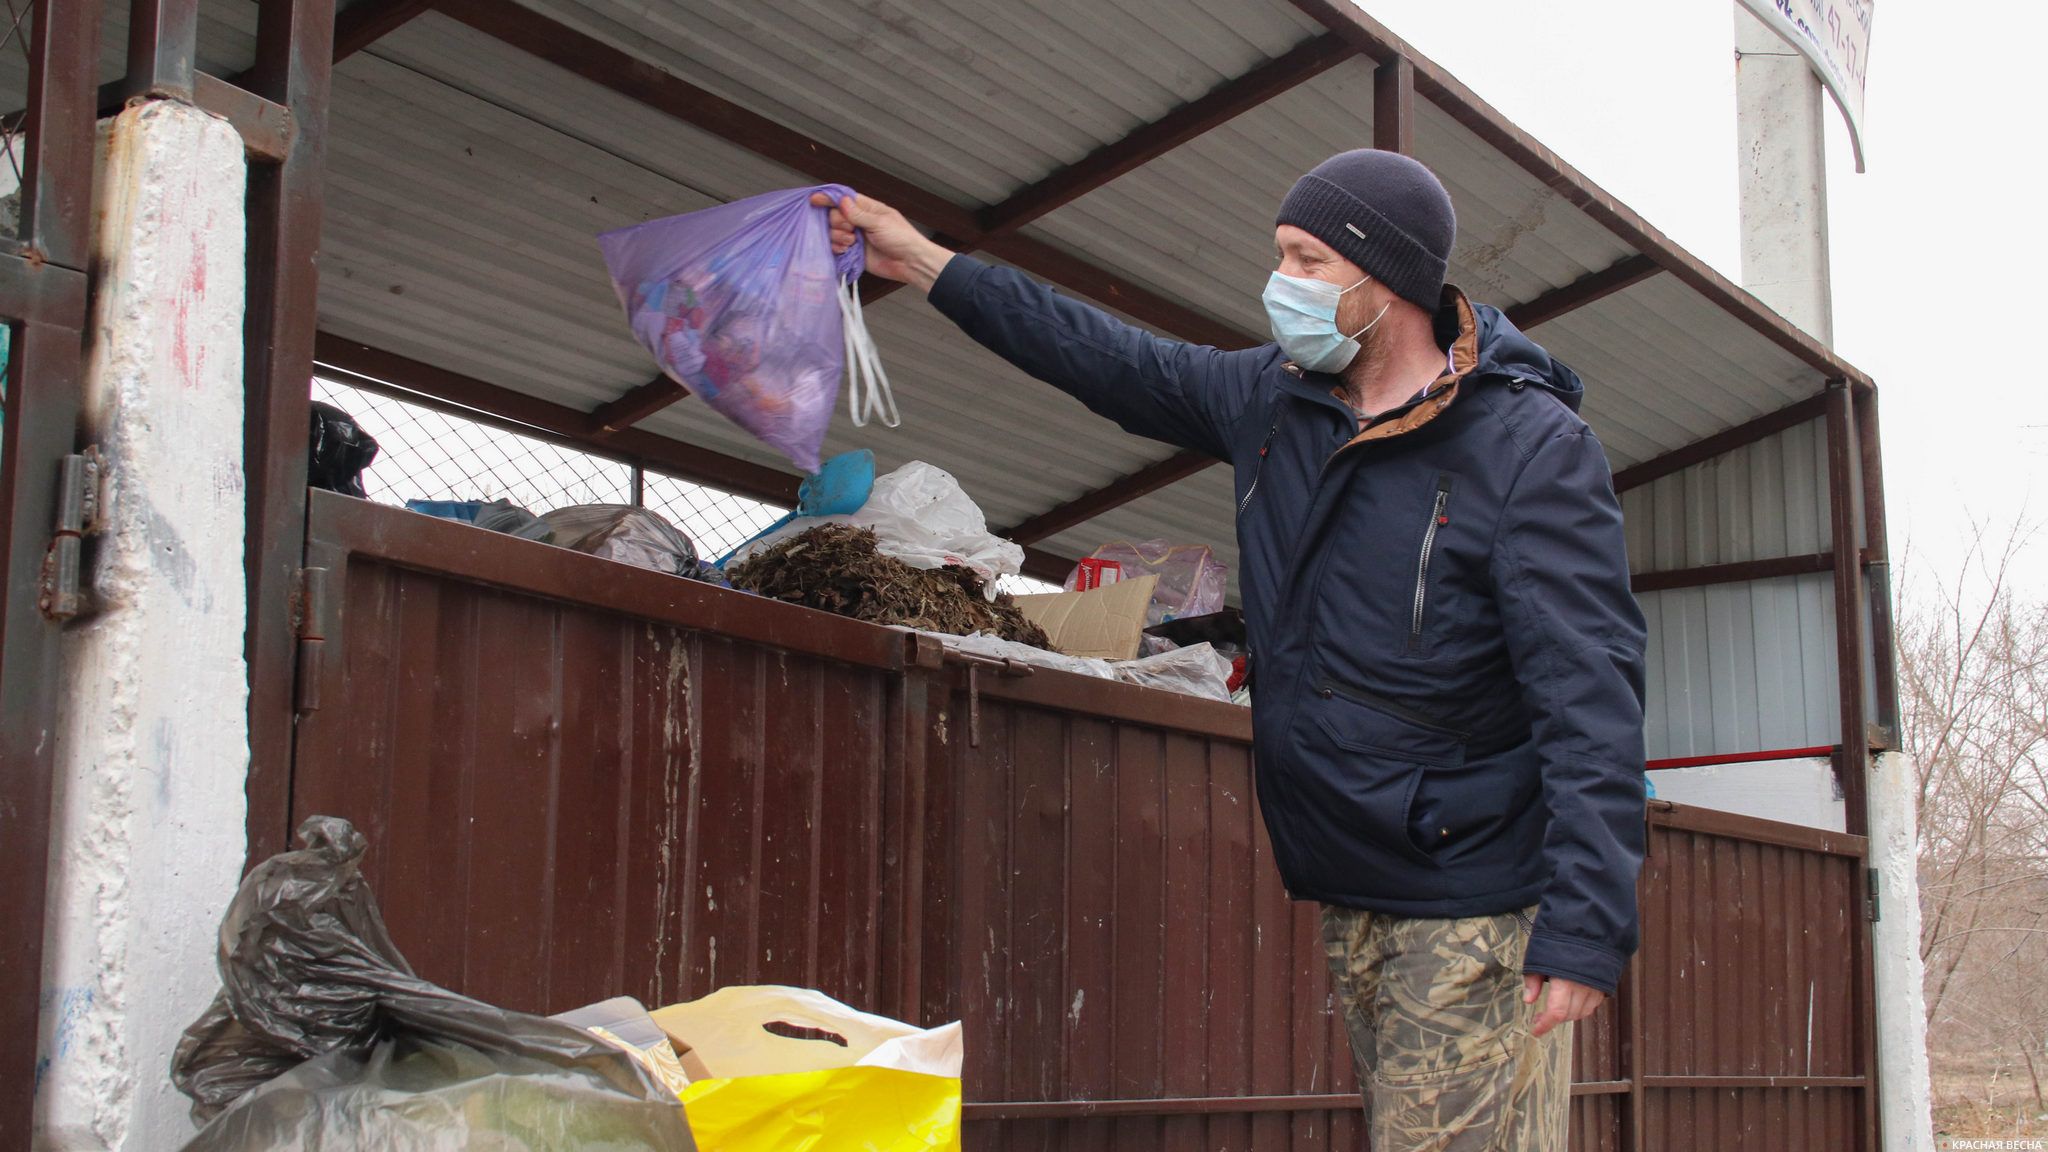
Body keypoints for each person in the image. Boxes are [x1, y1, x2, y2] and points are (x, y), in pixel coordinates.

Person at [815, 147, 1647, 1150]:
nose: (1278, 284)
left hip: (1475, 887)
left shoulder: (1524, 446)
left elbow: (1588, 690)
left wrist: (1587, 924)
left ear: (1381, 278)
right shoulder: (1274, 400)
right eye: (1278, 255)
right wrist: (921, 262)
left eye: (1303, 259)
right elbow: (1101, 355)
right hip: (1351, 869)